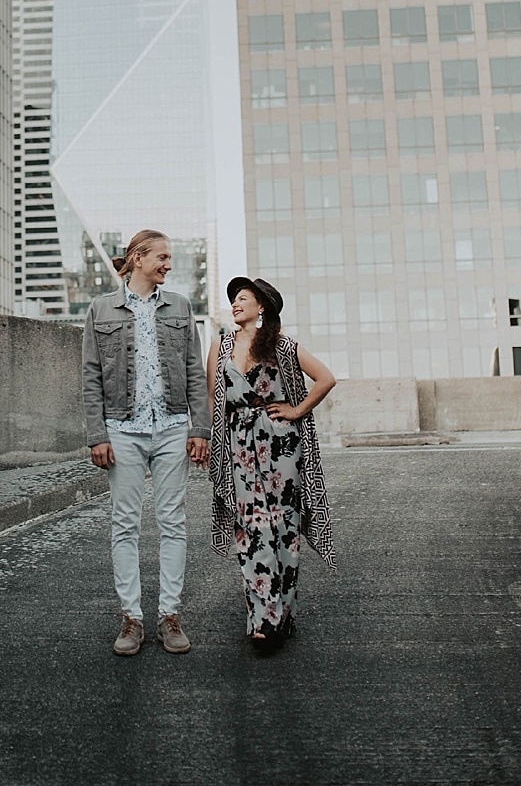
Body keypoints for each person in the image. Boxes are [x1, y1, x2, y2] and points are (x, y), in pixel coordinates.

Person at [80, 229, 209, 657]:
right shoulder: (101, 309)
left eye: (170, 258)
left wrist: (199, 428)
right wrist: (97, 434)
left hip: (173, 426)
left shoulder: (180, 307)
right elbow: (91, 376)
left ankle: (169, 615)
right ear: (138, 258)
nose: (169, 264)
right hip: (122, 429)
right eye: (163, 257)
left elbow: (194, 370)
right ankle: (131, 618)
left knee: (173, 522)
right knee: (125, 524)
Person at [204, 275, 338, 652]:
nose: (235, 304)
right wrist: (213, 443)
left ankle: (283, 615)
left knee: (284, 528)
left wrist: (296, 410)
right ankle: (263, 620)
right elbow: (213, 398)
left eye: (243, 298)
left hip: (281, 447)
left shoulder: (283, 345)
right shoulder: (219, 345)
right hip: (238, 446)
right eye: (233, 299)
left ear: (261, 307)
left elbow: (326, 379)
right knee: (251, 528)